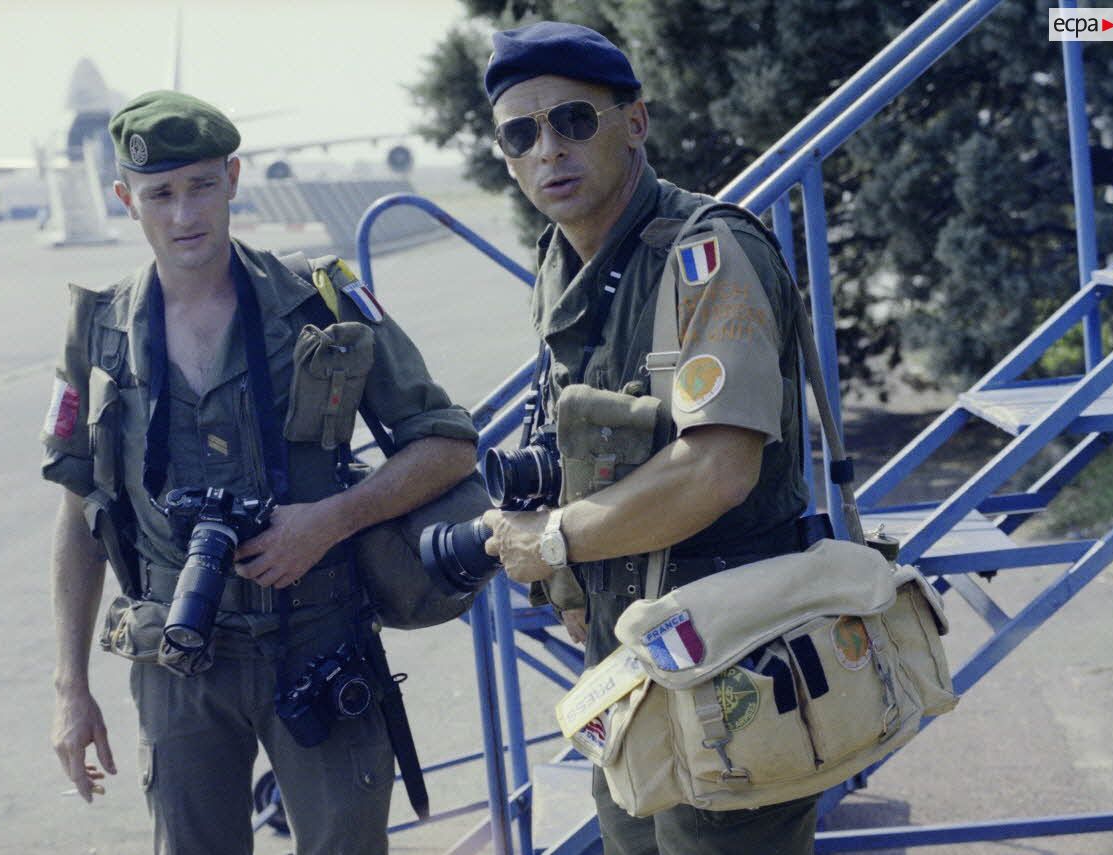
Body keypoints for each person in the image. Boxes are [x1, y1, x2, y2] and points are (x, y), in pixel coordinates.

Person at [41, 89, 478, 855]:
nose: (185, 215)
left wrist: (332, 519)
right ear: (125, 200)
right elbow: (79, 515)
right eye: (161, 194)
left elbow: (448, 443)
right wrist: (70, 690)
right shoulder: (98, 332)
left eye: (203, 185)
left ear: (234, 178)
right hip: (176, 659)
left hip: (316, 639)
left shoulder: (321, 301)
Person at [478, 22, 819, 855]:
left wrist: (554, 542)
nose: (547, 149)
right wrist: (569, 588)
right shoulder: (561, 264)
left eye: (573, 120)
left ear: (635, 122)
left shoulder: (709, 254)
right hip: (624, 660)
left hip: (733, 654)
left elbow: (718, 469)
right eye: (521, 134)